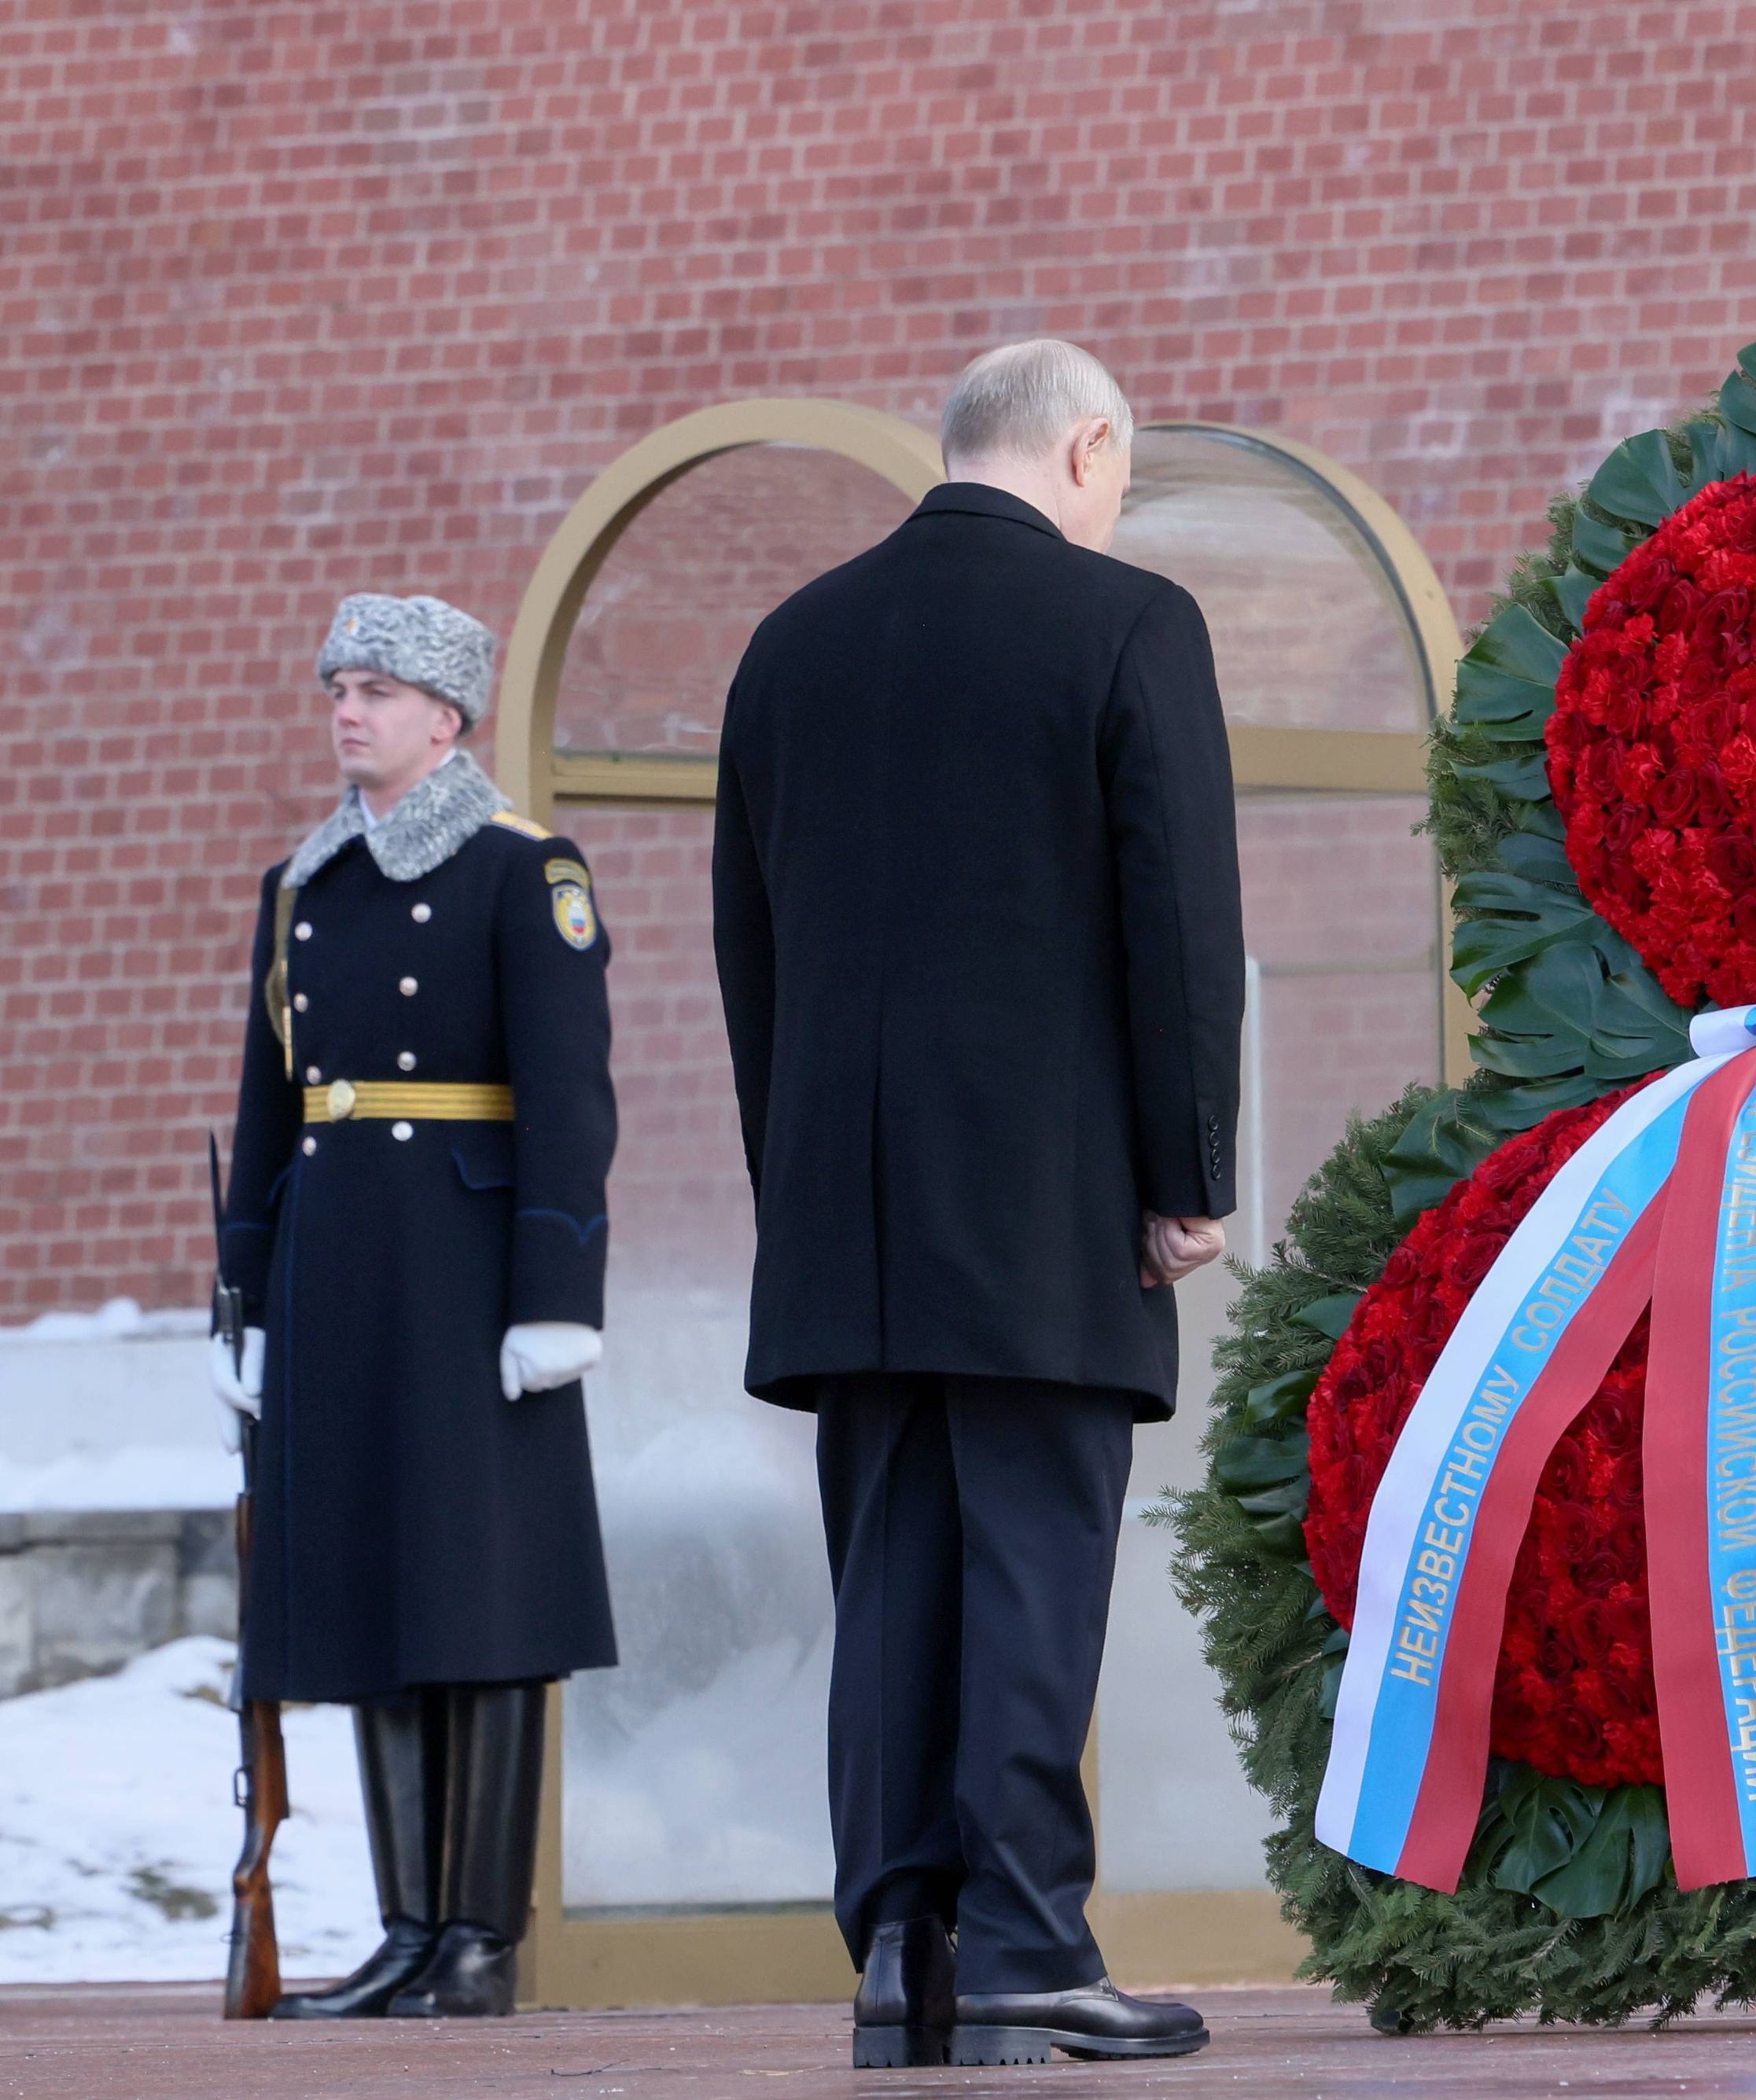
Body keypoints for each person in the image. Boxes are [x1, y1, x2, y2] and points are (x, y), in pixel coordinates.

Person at [712, 340, 1243, 2068]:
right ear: (1085, 448)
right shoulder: (1126, 623)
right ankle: (1021, 1937)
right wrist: (1187, 1175)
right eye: (1121, 475)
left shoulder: (790, 644)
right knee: (1029, 1561)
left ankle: (901, 1947)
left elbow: (748, 949)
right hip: (1044, 1198)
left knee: (891, 1573)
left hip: (848, 1212)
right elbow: (1177, 921)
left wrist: (799, 1187)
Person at [212, 594, 620, 2020]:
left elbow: (570, 1095)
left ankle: (478, 1943)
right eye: (339, 686)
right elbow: (268, 1108)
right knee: (373, 1583)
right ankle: (405, 1933)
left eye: (378, 690)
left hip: (469, 1268)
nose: (348, 710)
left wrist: (558, 1288)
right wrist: (246, 1304)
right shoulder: (303, 886)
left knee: (482, 1591)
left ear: (446, 718)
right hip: (337, 1270)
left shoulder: (523, 869)